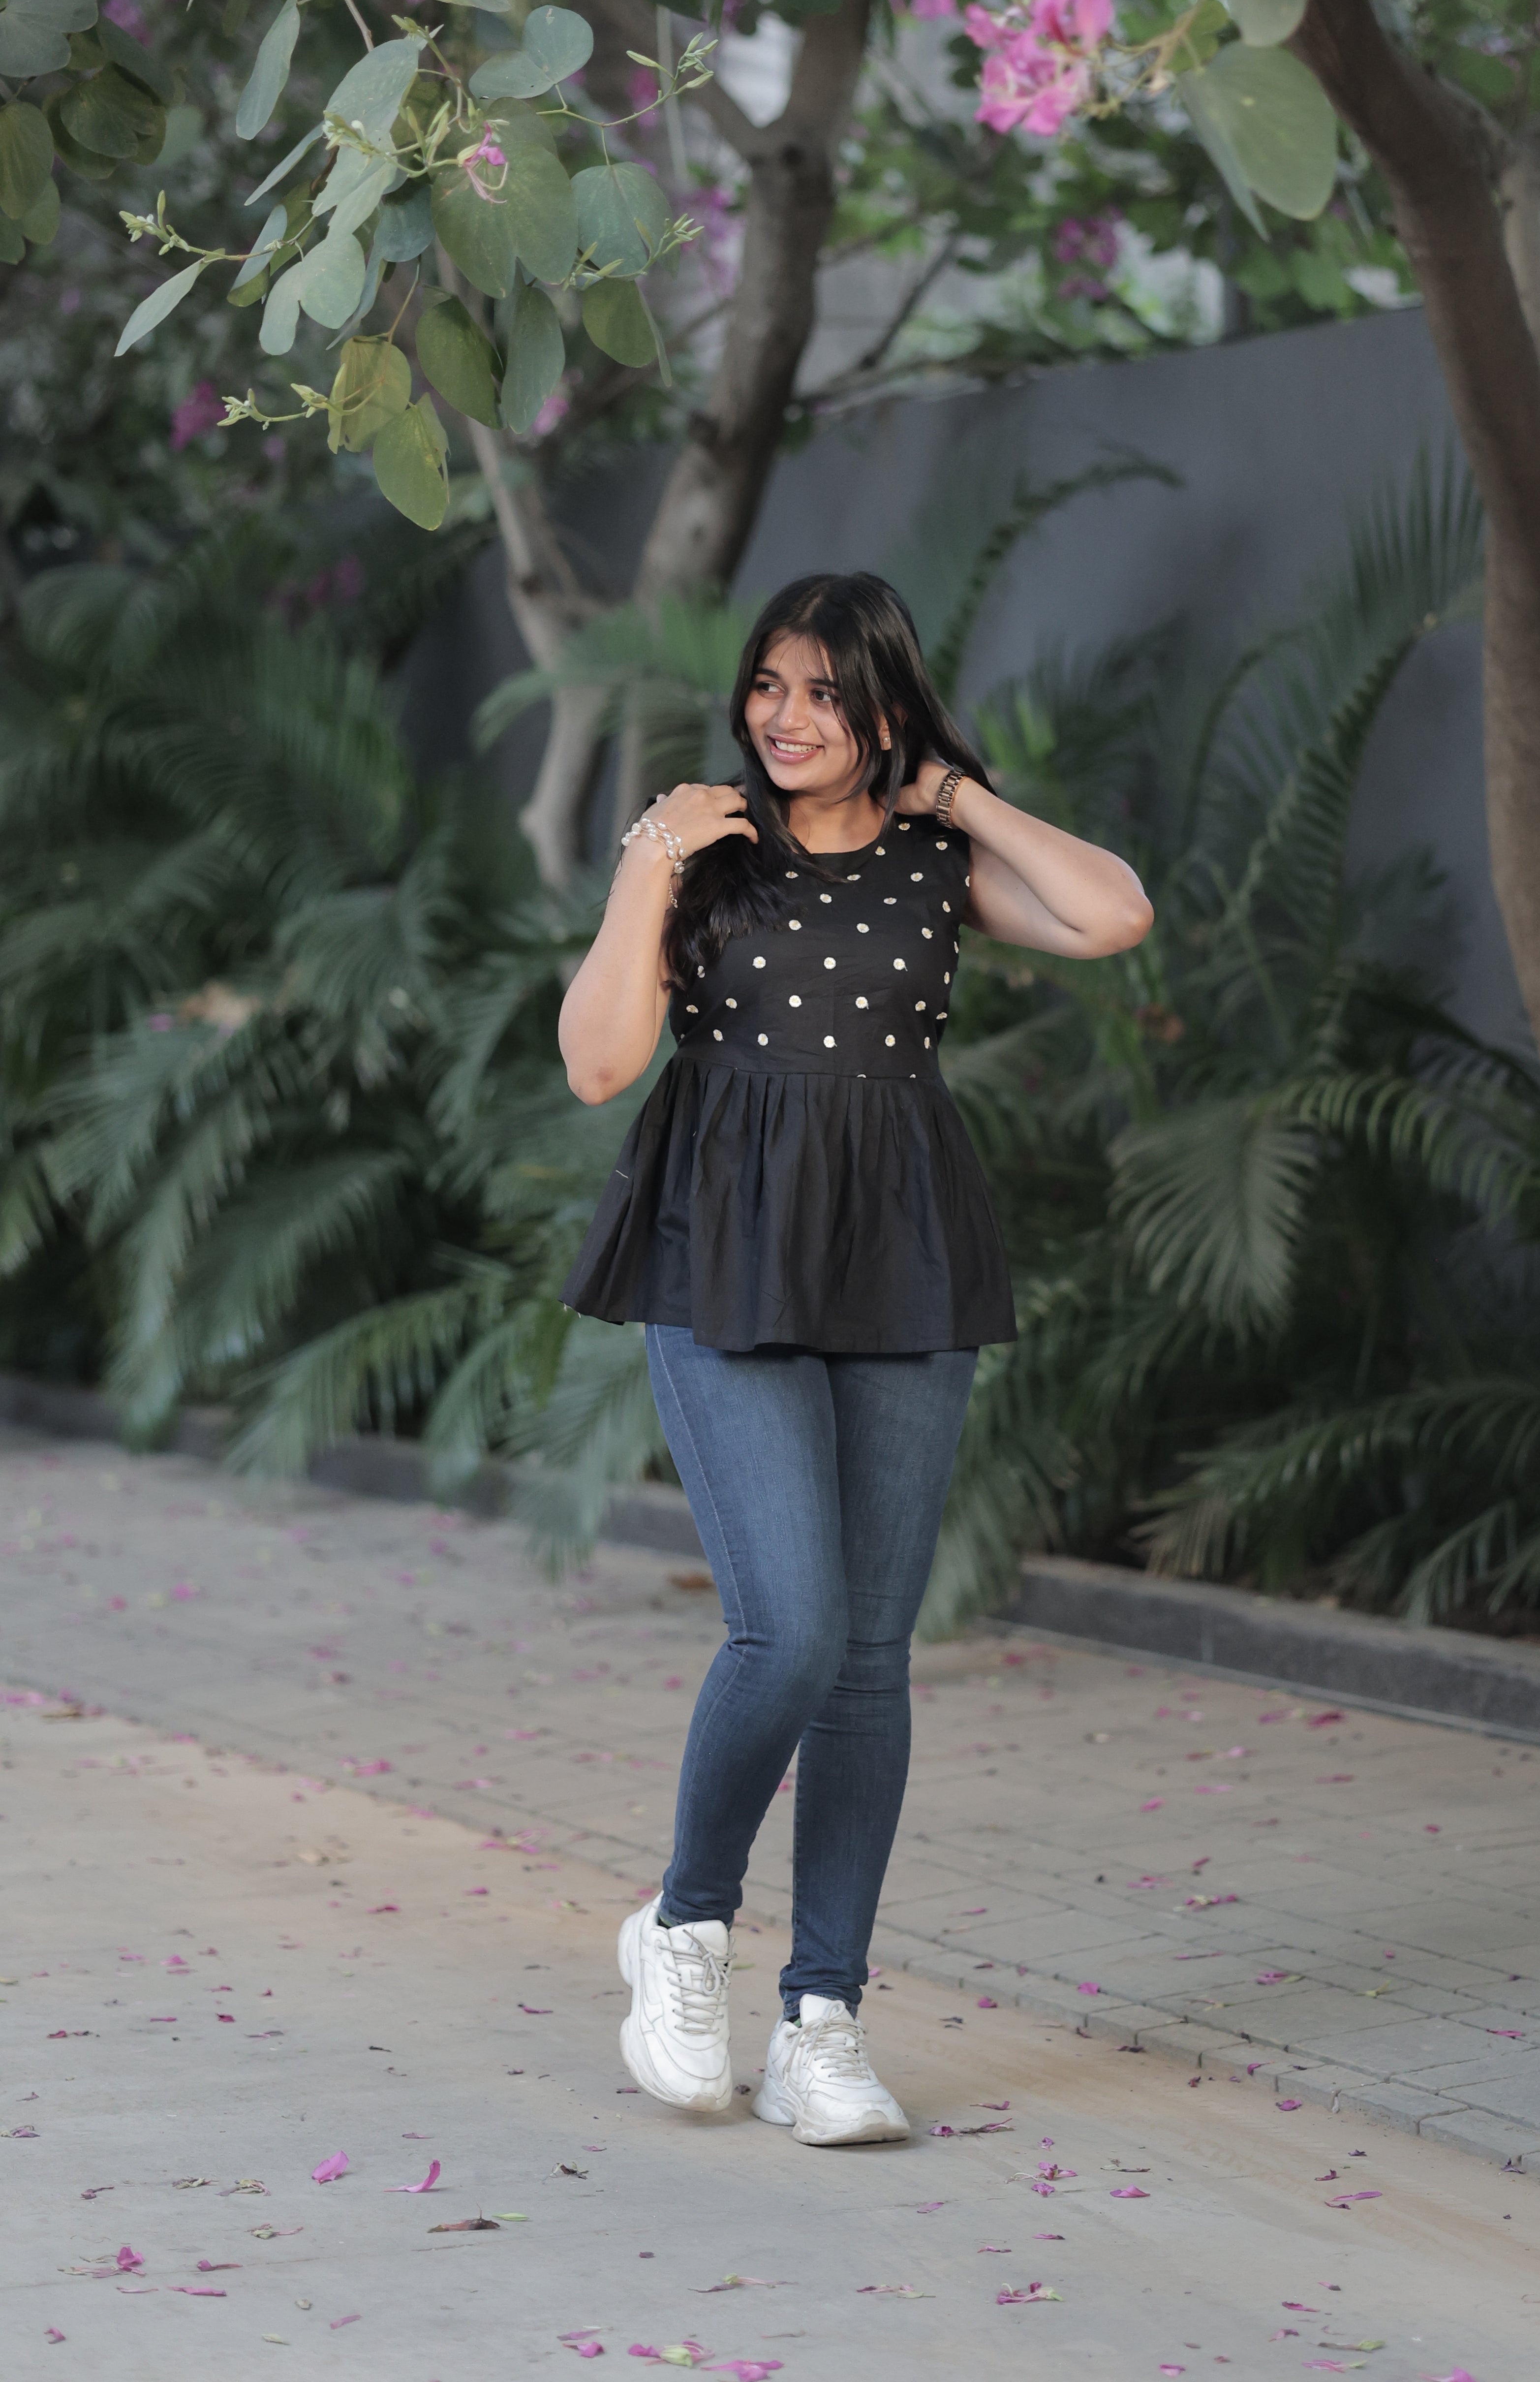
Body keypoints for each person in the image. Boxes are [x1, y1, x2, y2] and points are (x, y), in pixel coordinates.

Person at [556, 570, 1153, 2146]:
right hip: (721, 1251)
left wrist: (956, 789)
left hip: (899, 1249)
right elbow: (600, 1062)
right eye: (769, 685)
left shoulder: (934, 863)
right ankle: (684, 1928)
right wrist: (650, 860)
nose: (786, 716)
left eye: (826, 692)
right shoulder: (709, 856)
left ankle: (822, 2019)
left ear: (882, 705)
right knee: (793, 1630)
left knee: (873, 1656)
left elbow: (1114, 914)